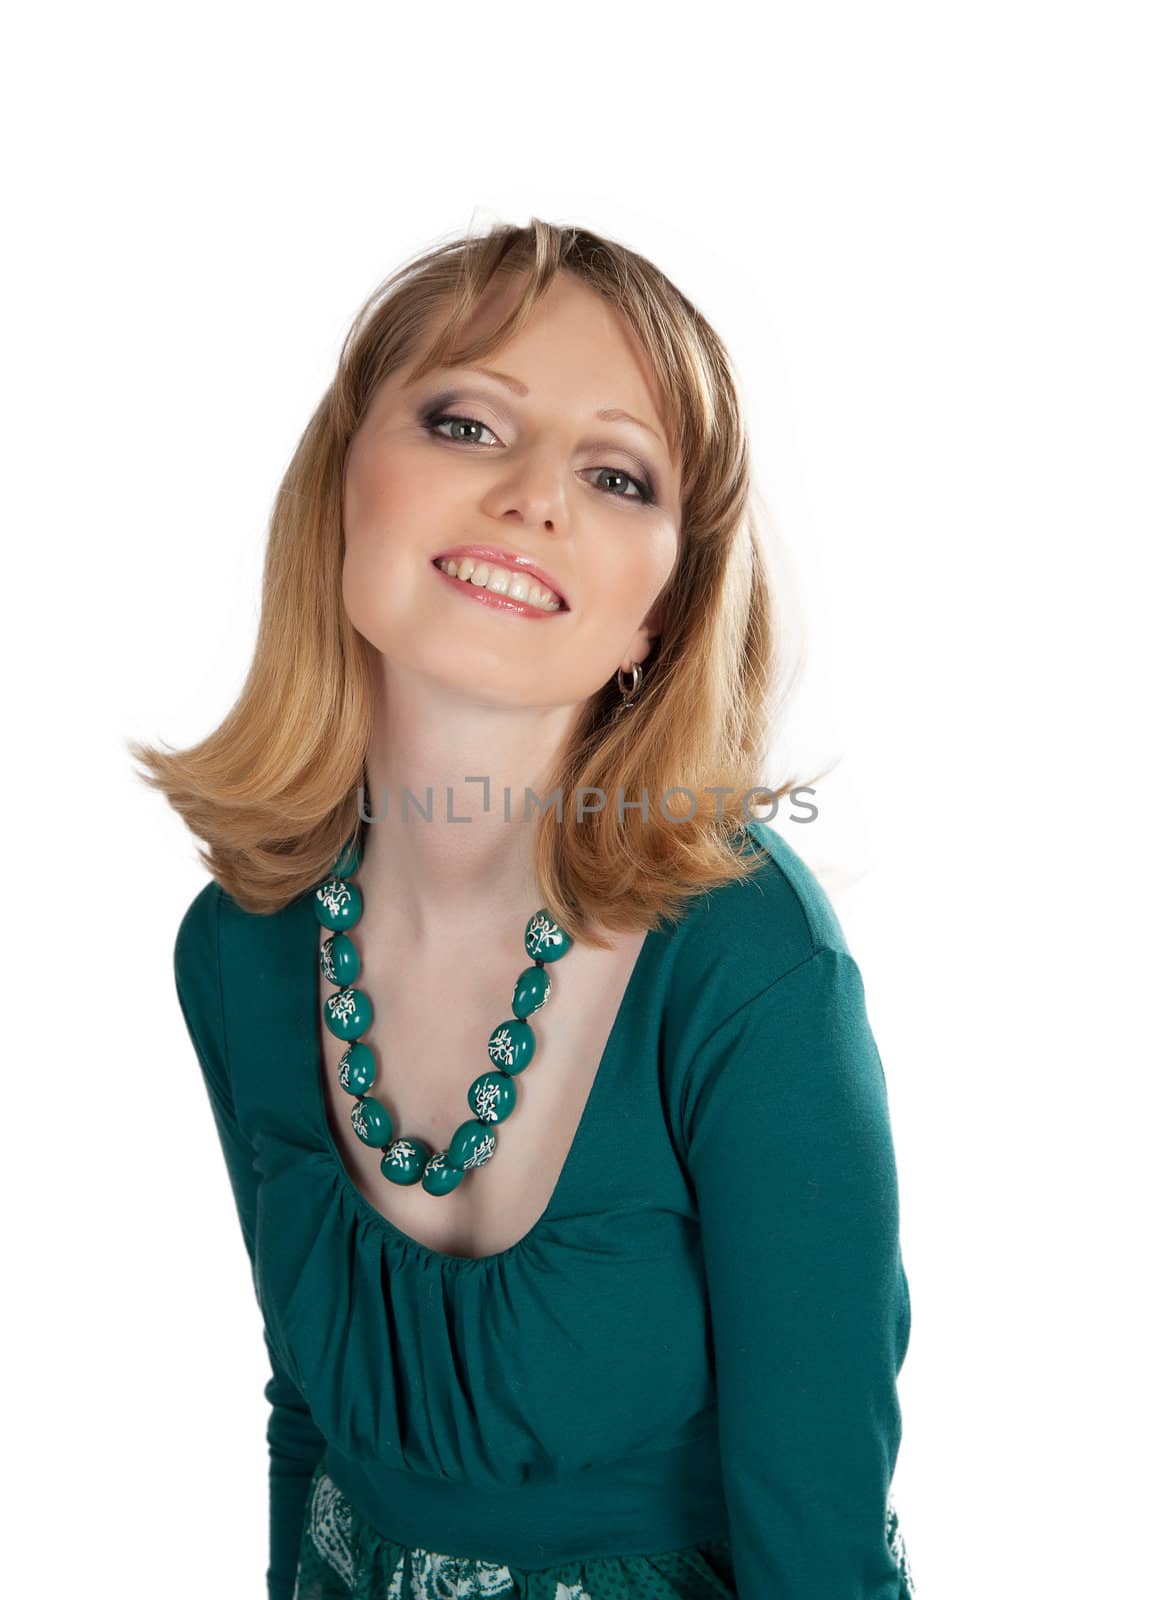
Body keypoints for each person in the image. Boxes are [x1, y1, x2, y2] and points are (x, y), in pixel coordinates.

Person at [133, 219, 915, 1599]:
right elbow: (306, 1427)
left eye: (618, 473)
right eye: (467, 422)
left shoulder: (749, 967)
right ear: (343, 486)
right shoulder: (236, 950)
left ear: (657, 617)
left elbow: (822, 1538)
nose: (537, 496)